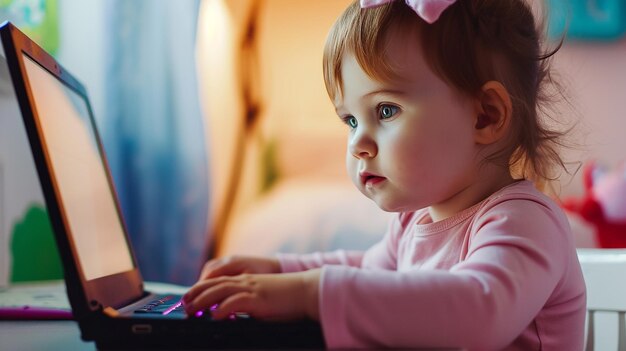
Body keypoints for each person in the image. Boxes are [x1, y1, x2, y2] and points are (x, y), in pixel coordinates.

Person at [183, 0, 587, 349]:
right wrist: (279, 271)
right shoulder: (414, 222)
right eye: (350, 120)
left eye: (385, 110)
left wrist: (310, 294)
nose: (358, 143)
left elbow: (480, 309)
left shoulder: (526, 221)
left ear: (486, 115)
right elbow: (367, 270)